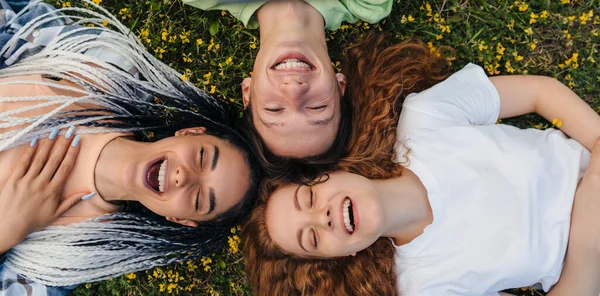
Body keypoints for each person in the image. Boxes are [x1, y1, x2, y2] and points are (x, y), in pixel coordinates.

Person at [241, 33, 600, 295]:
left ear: (332, 172)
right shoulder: (424, 286)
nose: (325, 217)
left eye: (309, 200)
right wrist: (586, 244)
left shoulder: (424, 118)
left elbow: (540, 93)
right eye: (313, 238)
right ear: (341, 256)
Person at [143, 0, 446, 170]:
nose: (293, 88)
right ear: (340, 86)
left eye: (274, 109)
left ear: (248, 93)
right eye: (317, 107)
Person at [0, 0, 260, 289]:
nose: (183, 176)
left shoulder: (73, 252)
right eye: (202, 158)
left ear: (179, 219)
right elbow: (9, 17)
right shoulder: (108, 69)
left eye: (200, 199)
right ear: (190, 133)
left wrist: (7, 230)